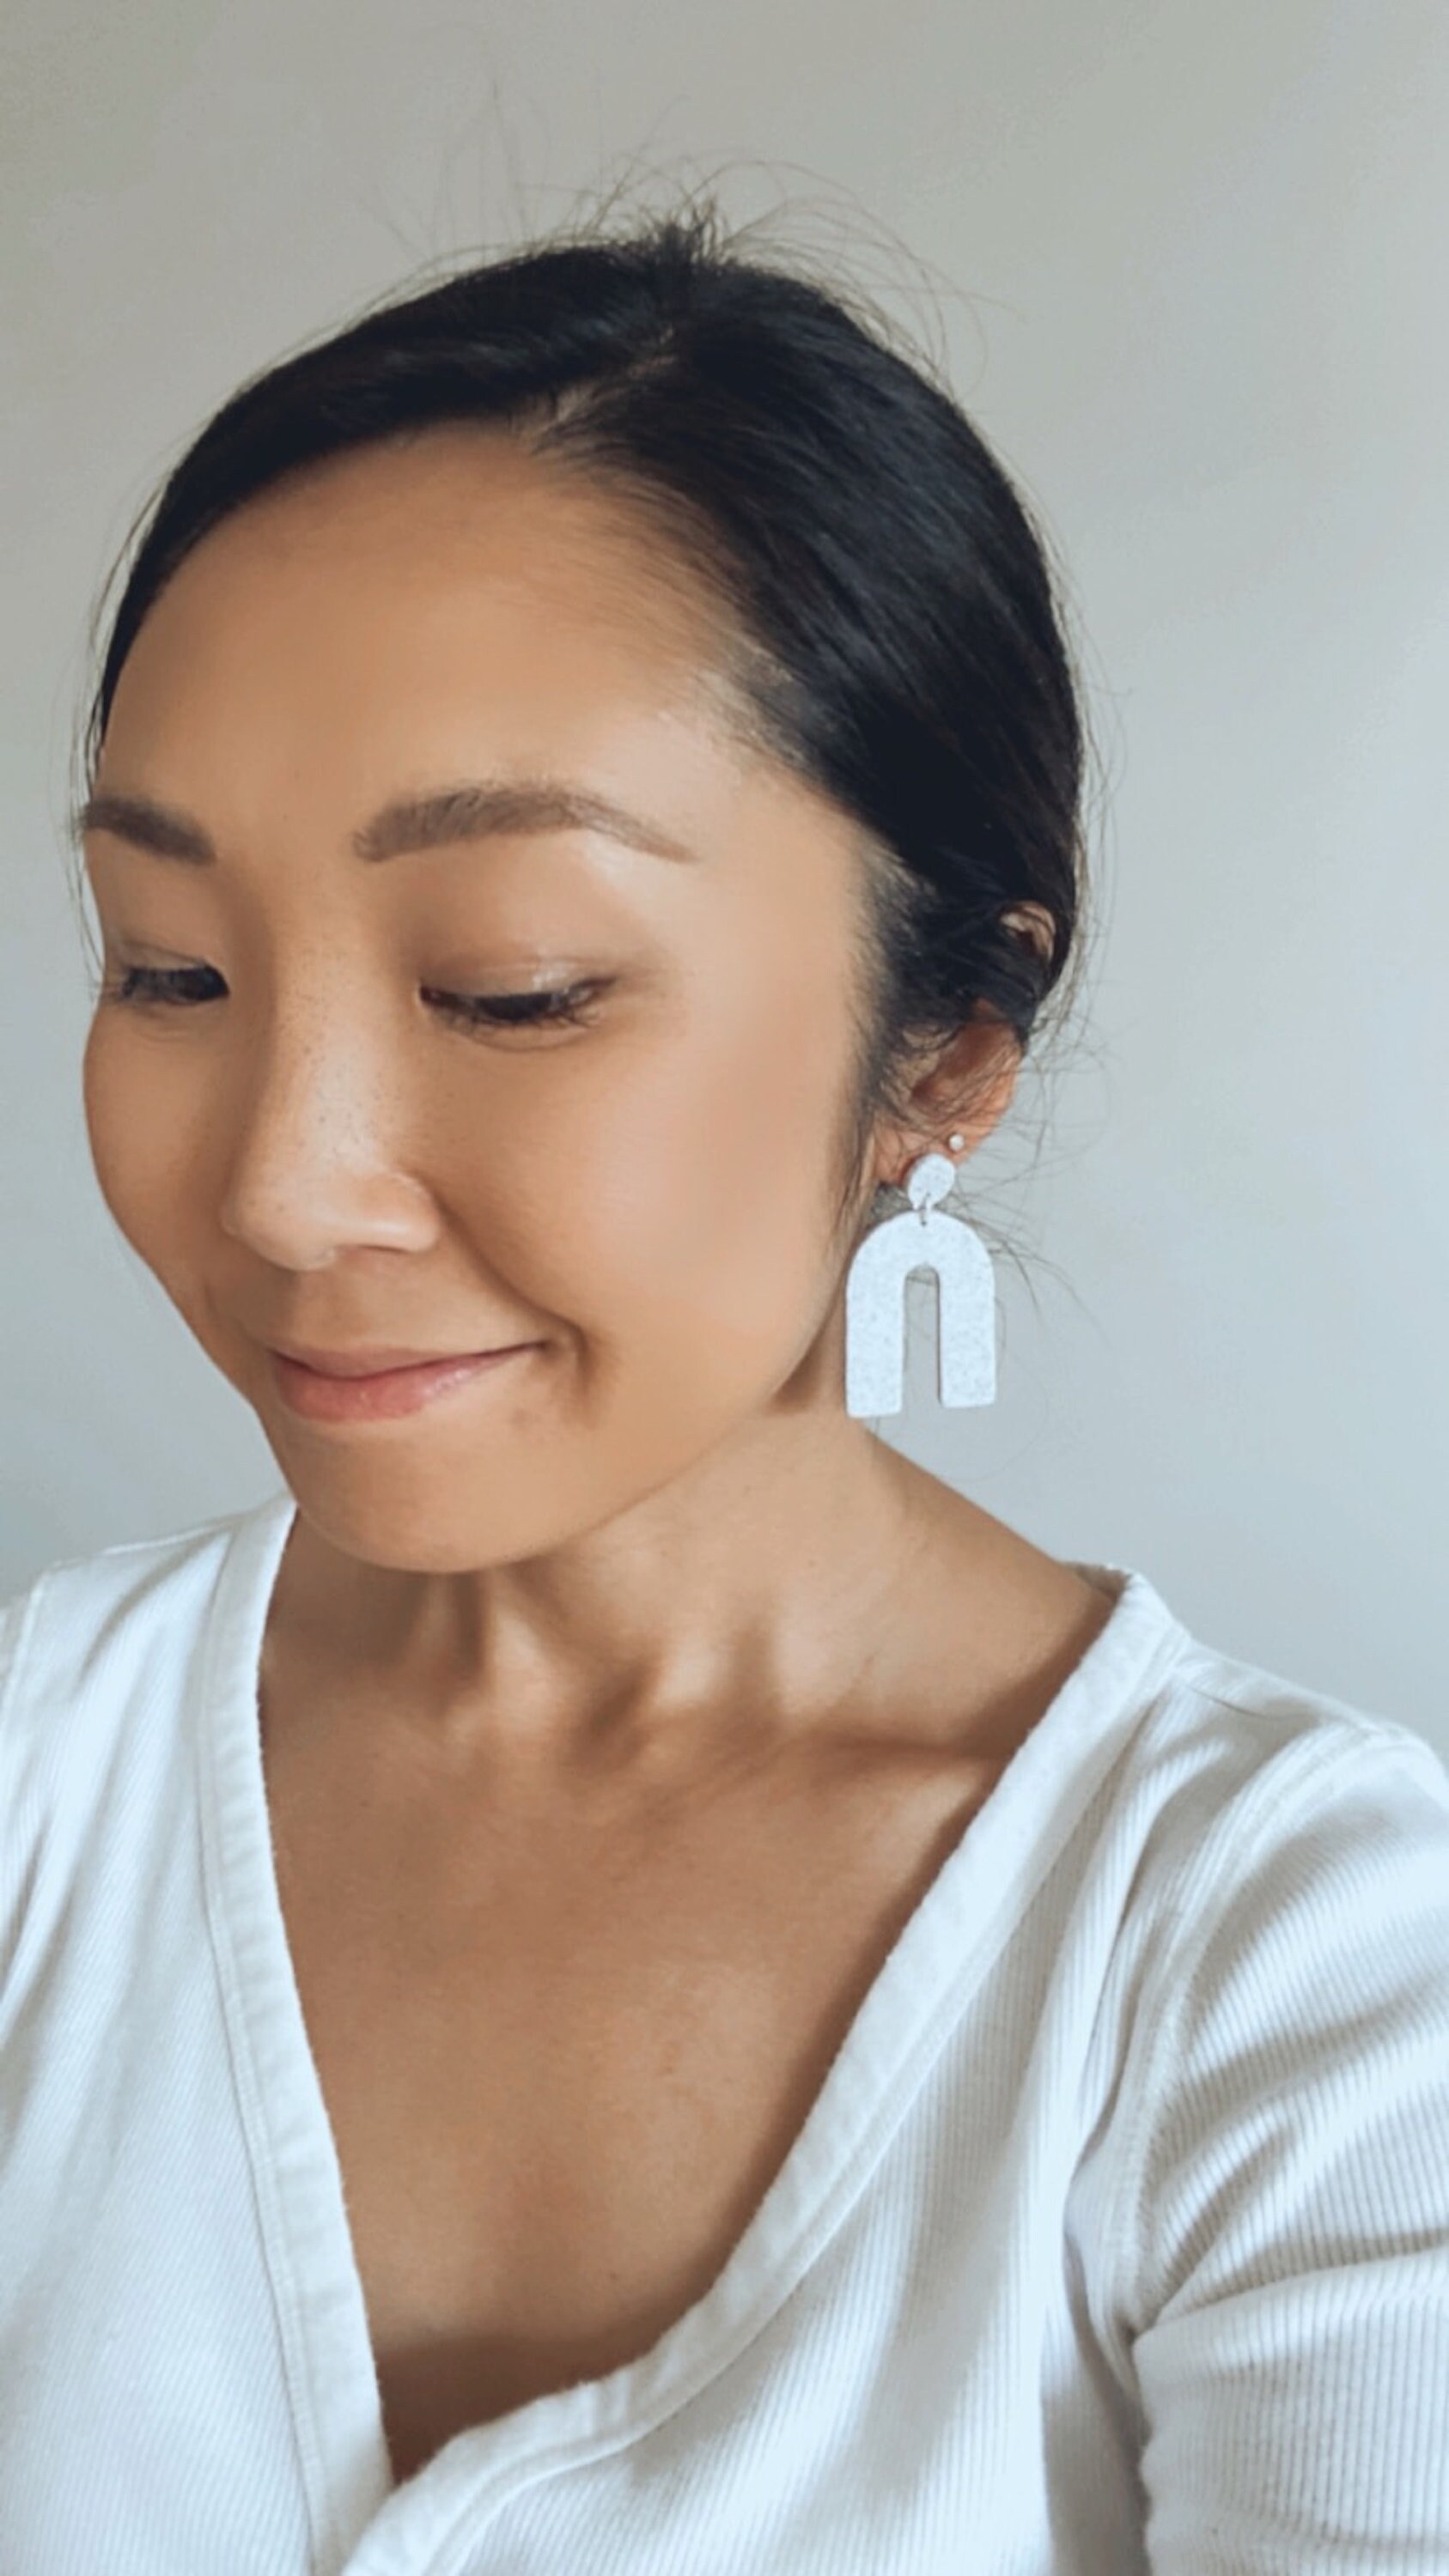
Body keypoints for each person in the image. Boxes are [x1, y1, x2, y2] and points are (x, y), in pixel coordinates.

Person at [3, 195, 1446, 2574]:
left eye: (514, 989)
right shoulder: (42, 1784)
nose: (279, 1186)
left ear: (946, 1048)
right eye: (169, 971)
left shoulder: (1300, 1974)